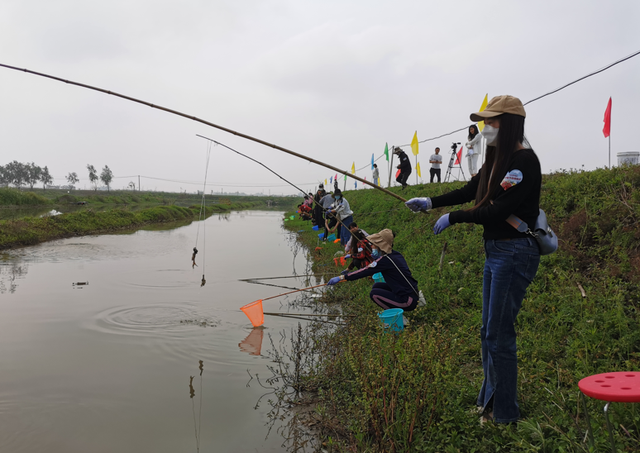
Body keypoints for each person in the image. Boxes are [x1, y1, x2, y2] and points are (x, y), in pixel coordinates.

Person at [404, 95, 541, 425]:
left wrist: (455, 218)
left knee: (499, 335)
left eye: (491, 122)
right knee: (487, 331)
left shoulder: (523, 163)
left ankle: (505, 414)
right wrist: (432, 200)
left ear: (507, 124)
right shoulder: (496, 158)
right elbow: (470, 191)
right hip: (496, 252)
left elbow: (498, 210)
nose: (486, 128)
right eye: (485, 122)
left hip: (514, 253)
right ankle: (489, 400)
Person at [327, 229, 420, 312]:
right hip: (412, 293)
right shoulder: (395, 255)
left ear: (381, 246)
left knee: (374, 294)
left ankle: (395, 316)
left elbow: (364, 271)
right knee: (377, 285)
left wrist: (342, 277)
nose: (372, 247)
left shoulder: (385, 261)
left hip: (408, 300)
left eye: (374, 245)